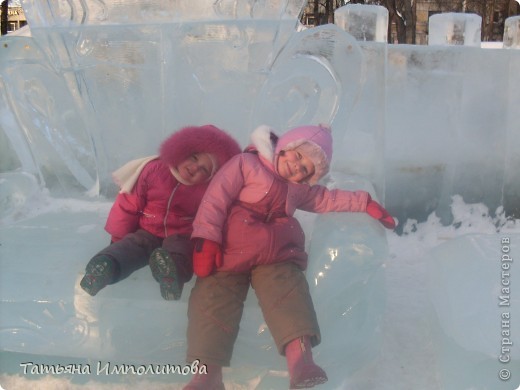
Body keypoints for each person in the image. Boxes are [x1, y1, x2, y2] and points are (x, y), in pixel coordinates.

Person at [183, 124, 396, 389]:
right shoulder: (245, 164)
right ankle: (207, 374)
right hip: (230, 250)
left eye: (305, 168)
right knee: (212, 300)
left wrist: (364, 202)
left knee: (289, 293)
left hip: (277, 255)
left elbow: (326, 199)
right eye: (296, 156)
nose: (296, 167)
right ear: (284, 148)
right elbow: (215, 199)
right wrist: (207, 239)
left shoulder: (297, 188)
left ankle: (301, 362)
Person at [79, 125, 241, 300]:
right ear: (182, 151)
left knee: (181, 251)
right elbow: (129, 204)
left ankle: (171, 274)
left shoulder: (207, 191)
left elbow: (210, 218)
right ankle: (105, 266)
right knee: (131, 246)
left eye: (204, 169)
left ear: (212, 177)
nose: (194, 168)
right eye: (194, 158)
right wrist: (118, 238)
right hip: (147, 229)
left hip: (181, 234)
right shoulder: (154, 170)